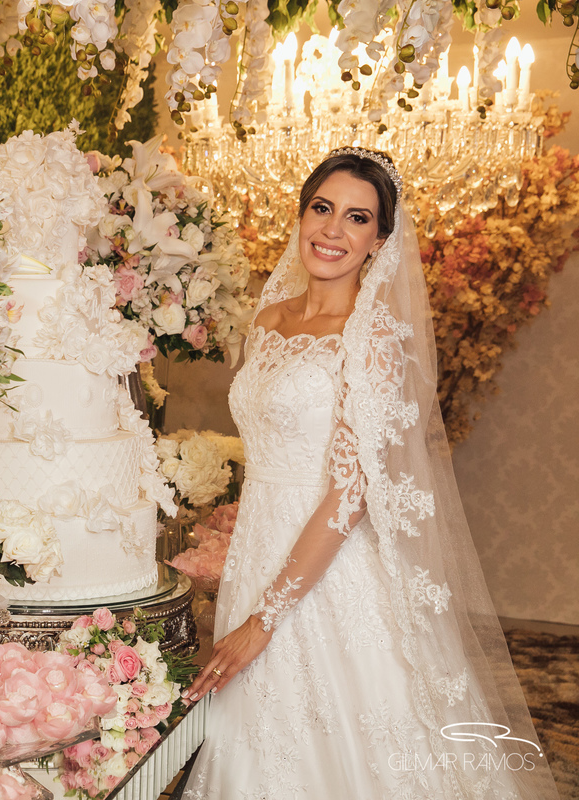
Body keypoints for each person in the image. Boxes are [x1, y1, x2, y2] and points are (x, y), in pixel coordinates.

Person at [180, 148, 558, 798]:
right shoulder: (269, 321)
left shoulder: (372, 339)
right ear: (301, 215)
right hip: (256, 553)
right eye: (322, 209)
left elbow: (351, 491)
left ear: (379, 239)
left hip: (326, 574)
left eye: (357, 218)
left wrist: (264, 619)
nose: (332, 231)